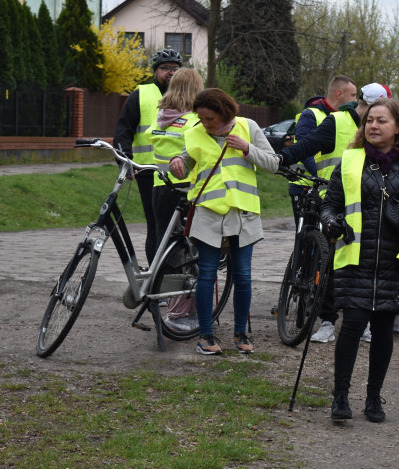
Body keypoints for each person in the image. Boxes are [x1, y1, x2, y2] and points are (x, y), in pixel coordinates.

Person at [318, 98, 399, 423]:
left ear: (398, 127)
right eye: (369, 120)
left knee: (384, 329)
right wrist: (330, 222)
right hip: (355, 256)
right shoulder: (350, 160)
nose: (373, 126)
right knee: (352, 325)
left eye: (381, 121)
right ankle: (340, 396)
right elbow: (330, 203)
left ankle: (373, 398)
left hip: (395, 260)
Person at [279, 82, 399, 342]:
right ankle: (328, 320)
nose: (376, 122)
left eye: (382, 117)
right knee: (329, 262)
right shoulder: (338, 121)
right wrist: (283, 157)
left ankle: (362, 322)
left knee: (363, 265)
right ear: (365, 105)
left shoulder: (384, 130)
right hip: (334, 200)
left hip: (370, 206)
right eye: (373, 114)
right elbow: (309, 144)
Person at [168, 88, 279, 356]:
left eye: (210, 119)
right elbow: (188, 157)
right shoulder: (194, 132)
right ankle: (205, 336)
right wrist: (177, 161)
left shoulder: (248, 127)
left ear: (224, 113)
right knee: (206, 274)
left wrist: (247, 148)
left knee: (242, 275)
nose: (205, 124)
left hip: (243, 213)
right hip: (208, 212)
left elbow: (273, 164)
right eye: (202, 118)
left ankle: (241, 332)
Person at [113, 48, 183, 263]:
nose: (170, 73)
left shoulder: (190, 96)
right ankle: (156, 281)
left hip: (182, 172)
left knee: (182, 227)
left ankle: (180, 275)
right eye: (165, 68)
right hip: (147, 173)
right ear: (155, 71)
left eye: (175, 68)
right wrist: (125, 159)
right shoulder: (141, 95)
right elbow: (123, 130)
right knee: (156, 226)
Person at [150, 67, 204, 335]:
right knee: (186, 254)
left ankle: (172, 307)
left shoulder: (161, 116)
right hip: (186, 191)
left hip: (160, 189)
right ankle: (183, 313)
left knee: (167, 251)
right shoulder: (194, 120)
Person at [287, 75, 358, 222]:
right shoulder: (310, 114)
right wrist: (329, 181)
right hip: (305, 186)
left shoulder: (346, 119)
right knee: (307, 236)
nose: (355, 101)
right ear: (339, 94)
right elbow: (305, 150)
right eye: (353, 95)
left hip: (330, 187)